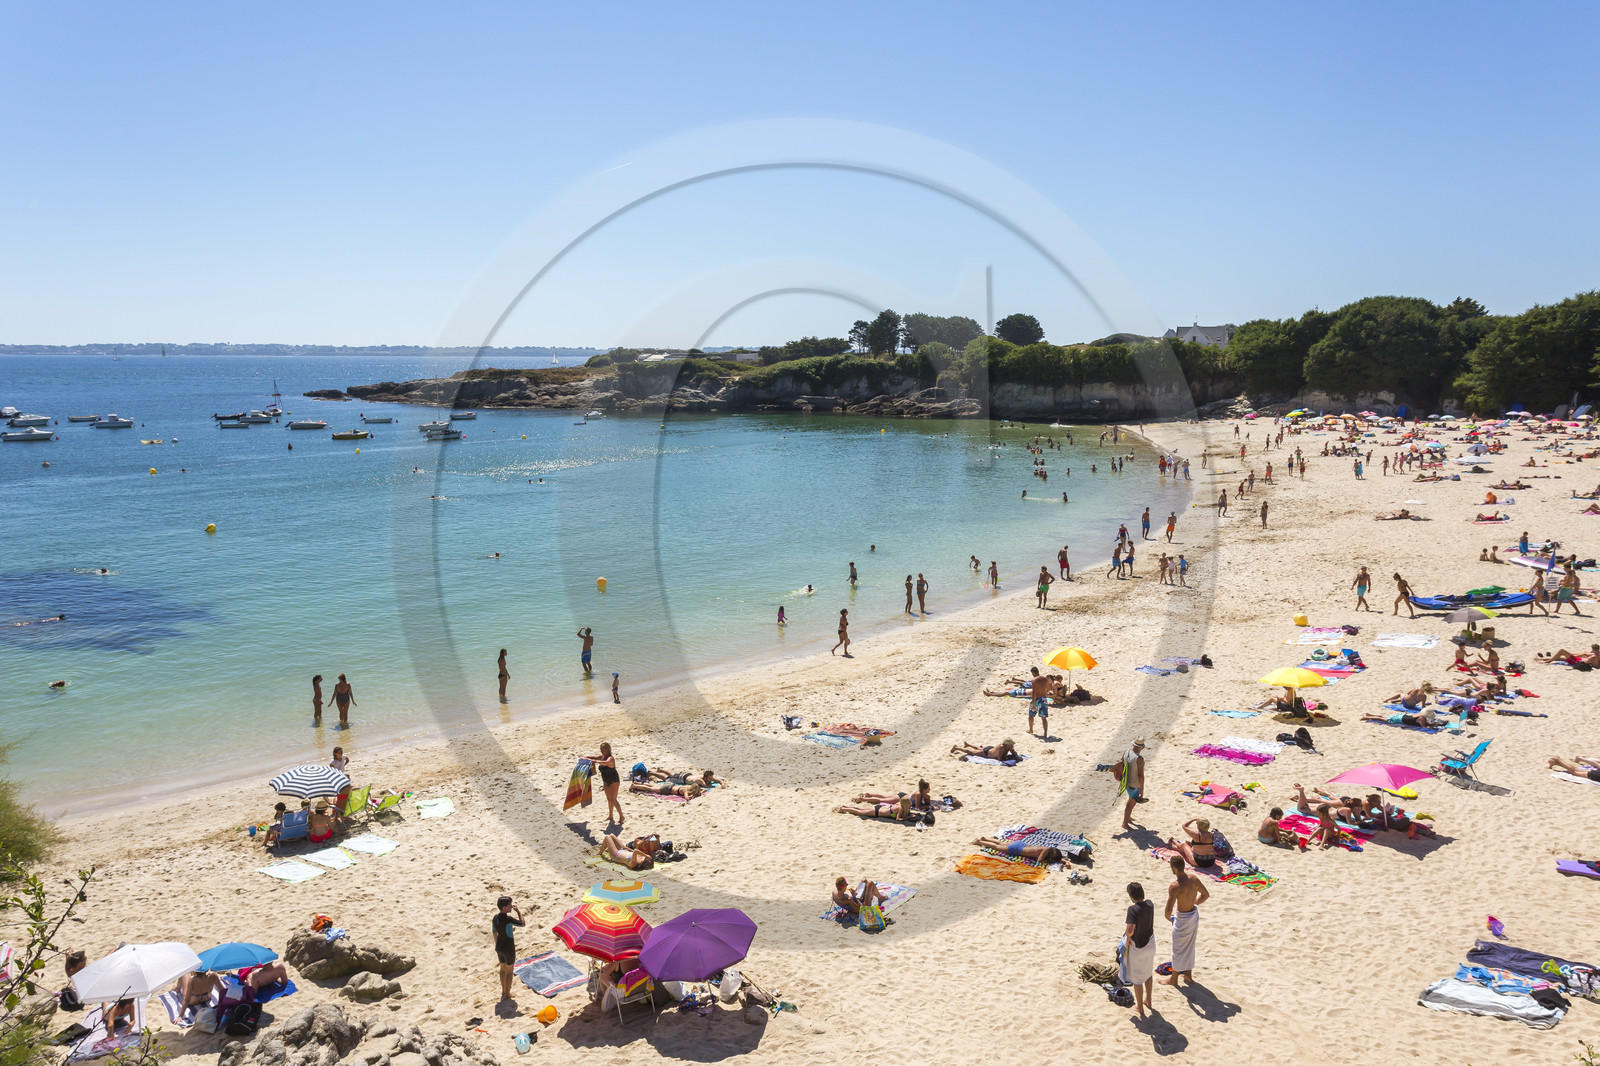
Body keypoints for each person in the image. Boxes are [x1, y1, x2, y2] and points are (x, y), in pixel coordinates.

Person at [1160, 854, 1208, 986]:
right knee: (1190, 946)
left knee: (1178, 949)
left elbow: (1168, 910)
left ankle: (1173, 979)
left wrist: (1170, 919)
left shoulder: (1175, 886)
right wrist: (1194, 903)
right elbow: (1205, 895)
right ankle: (1188, 975)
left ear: (1175, 868)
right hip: (1193, 916)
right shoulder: (1194, 879)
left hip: (1182, 918)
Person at [1121, 882, 1156, 1017]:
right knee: (1148, 972)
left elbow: (1130, 930)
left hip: (1138, 947)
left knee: (1137, 978)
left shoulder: (1132, 909)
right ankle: (1149, 1000)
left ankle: (1140, 1006)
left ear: (1131, 896)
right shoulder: (1150, 904)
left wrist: (1127, 937)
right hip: (1150, 943)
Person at [970, 836, 1064, 863]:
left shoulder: (1046, 848)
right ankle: (980, 842)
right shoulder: (1045, 850)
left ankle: (985, 839)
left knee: (1001, 843)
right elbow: (1039, 860)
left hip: (1021, 844)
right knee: (997, 847)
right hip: (1018, 849)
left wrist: (1063, 861)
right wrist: (1045, 861)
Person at [1118, 739, 1146, 829]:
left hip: (1126, 781)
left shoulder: (1126, 752)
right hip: (1134, 784)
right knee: (1131, 804)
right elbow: (1141, 775)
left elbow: (1121, 763)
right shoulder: (1139, 758)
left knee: (1130, 799)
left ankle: (1128, 817)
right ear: (1142, 748)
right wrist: (1142, 788)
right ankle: (1125, 823)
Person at [1027, 667, 1051, 736]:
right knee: (1044, 718)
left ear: (1033, 673)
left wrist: (1033, 703)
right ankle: (1045, 733)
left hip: (1037, 699)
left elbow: (1034, 693)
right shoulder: (1045, 679)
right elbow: (1049, 689)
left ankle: (1031, 729)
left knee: (1031, 715)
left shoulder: (1034, 680)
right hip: (1044, 699)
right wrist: (1044, 693)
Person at [950, 738, 1017, 761]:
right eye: (1011, 744)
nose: (1012, 745)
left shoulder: (1008, 747)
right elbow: (1000, 758)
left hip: (991, 749)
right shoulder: (1002, 747)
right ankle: (956, 748)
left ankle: (968, 744)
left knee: (979, 749)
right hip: (987, 753)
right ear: (1007, 744)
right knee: (971, 752)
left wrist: (1012, 750)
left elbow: (1015, 754)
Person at [630, 779, 704, 798]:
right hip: (667, 789)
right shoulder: (686, 790)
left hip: (671, 785)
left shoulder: (688, 786)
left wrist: (700, 791)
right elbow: (687, 798)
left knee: (652, 785)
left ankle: (637, 783)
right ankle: (634, 786)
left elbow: (704, 789)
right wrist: (693, 795)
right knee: (650, 789)